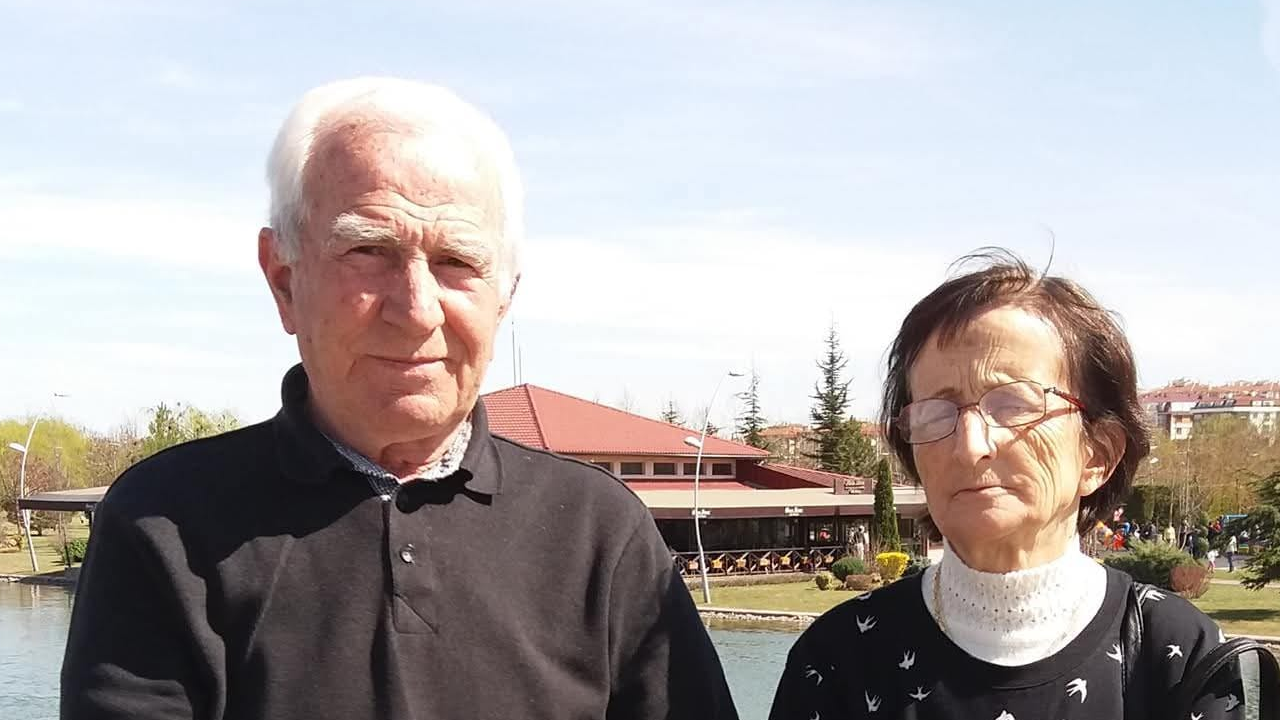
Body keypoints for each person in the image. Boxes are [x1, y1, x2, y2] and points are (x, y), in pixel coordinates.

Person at [61, 78, 738, 720]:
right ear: (284, 280)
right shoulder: (165, 524)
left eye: (457, 262)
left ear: (505, 296)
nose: (416, 310)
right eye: (369, 250)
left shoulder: (602, 534)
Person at [769, 251, 1241, 719]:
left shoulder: (1177, 654)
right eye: (936, 413)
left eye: (1014, 405)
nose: (970, 446)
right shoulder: (838, 659)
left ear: (1098, 453)